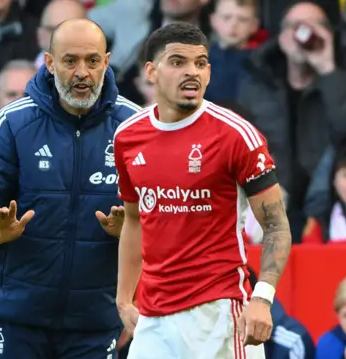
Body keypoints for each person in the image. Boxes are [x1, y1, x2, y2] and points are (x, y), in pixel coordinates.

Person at [0, 18, 141, 359]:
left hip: (94, 321)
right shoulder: (12, 121)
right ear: (50, 62)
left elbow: (161, 210)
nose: (82, 72)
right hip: (16, 318)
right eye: (70, 61)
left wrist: (132, 228)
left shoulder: (136, 127)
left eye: (92, 60)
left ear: (106, 61)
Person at [113, 22, 292, 359]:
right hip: (154, 317)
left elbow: (276, 224)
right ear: (151, 71)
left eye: (200, 63)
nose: (191, 72)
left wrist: (262, 297)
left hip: (220, 313)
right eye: (178, 62)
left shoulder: (237, 135)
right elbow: (134, 221)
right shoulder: (127, 137)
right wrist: (124, 299)